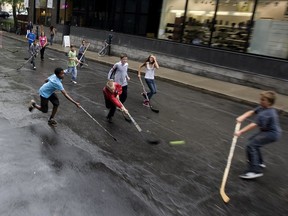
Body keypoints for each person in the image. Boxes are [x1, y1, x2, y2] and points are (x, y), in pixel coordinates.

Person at [234, 91, 282, 179]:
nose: (260, 101)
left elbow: (254, 124)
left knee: (251, 145)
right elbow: (252, 111)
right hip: (268, 131)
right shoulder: (263, 107)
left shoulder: (266, 113)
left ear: (269, 102)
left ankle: (255, 171)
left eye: (263, 100)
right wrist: (242, 117)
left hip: (272, 133)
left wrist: (240, 132)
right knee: (252, 141)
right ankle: (259, 163)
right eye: (261, 99)